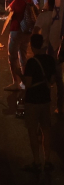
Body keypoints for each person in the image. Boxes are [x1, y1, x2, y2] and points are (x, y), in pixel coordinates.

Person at [22, 33, 61, 173]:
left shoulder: (31, 62)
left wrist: (20, 75)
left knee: (33, 131)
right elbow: (51, 81)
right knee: (46, 130)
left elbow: (28, 83)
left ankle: (36, 161)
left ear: (32, 46)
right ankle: (48, 160)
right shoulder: (50, 60)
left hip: (33, 100)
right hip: (46, 99)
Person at [4, 0, 37, 91]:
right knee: (23, 56)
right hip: (27, 32)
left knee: (12, 57)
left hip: (16, 30)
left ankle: (15, 82)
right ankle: (24, 81)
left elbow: (8, 9)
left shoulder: (18, 2)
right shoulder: (30, 2)